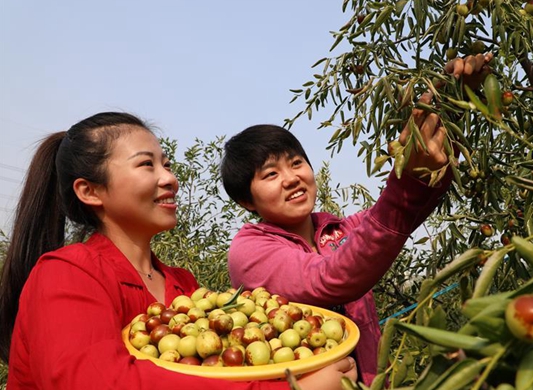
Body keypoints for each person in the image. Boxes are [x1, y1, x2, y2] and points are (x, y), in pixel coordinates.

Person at [0, 112, 357, 390]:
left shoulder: (183, 287)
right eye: (146, 164)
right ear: (90, 191)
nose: (169, 178)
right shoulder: (66, 274)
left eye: (167, 164)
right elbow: (97, 382)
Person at [220, 54, 493, 385]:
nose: (291, 178)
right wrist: (405, 178)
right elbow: (333, 276)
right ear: (246, 200)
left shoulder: (337, 231)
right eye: (271, 174)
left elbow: (402, 211)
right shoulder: (250, 250)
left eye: (295, 163)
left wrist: (450, 105)